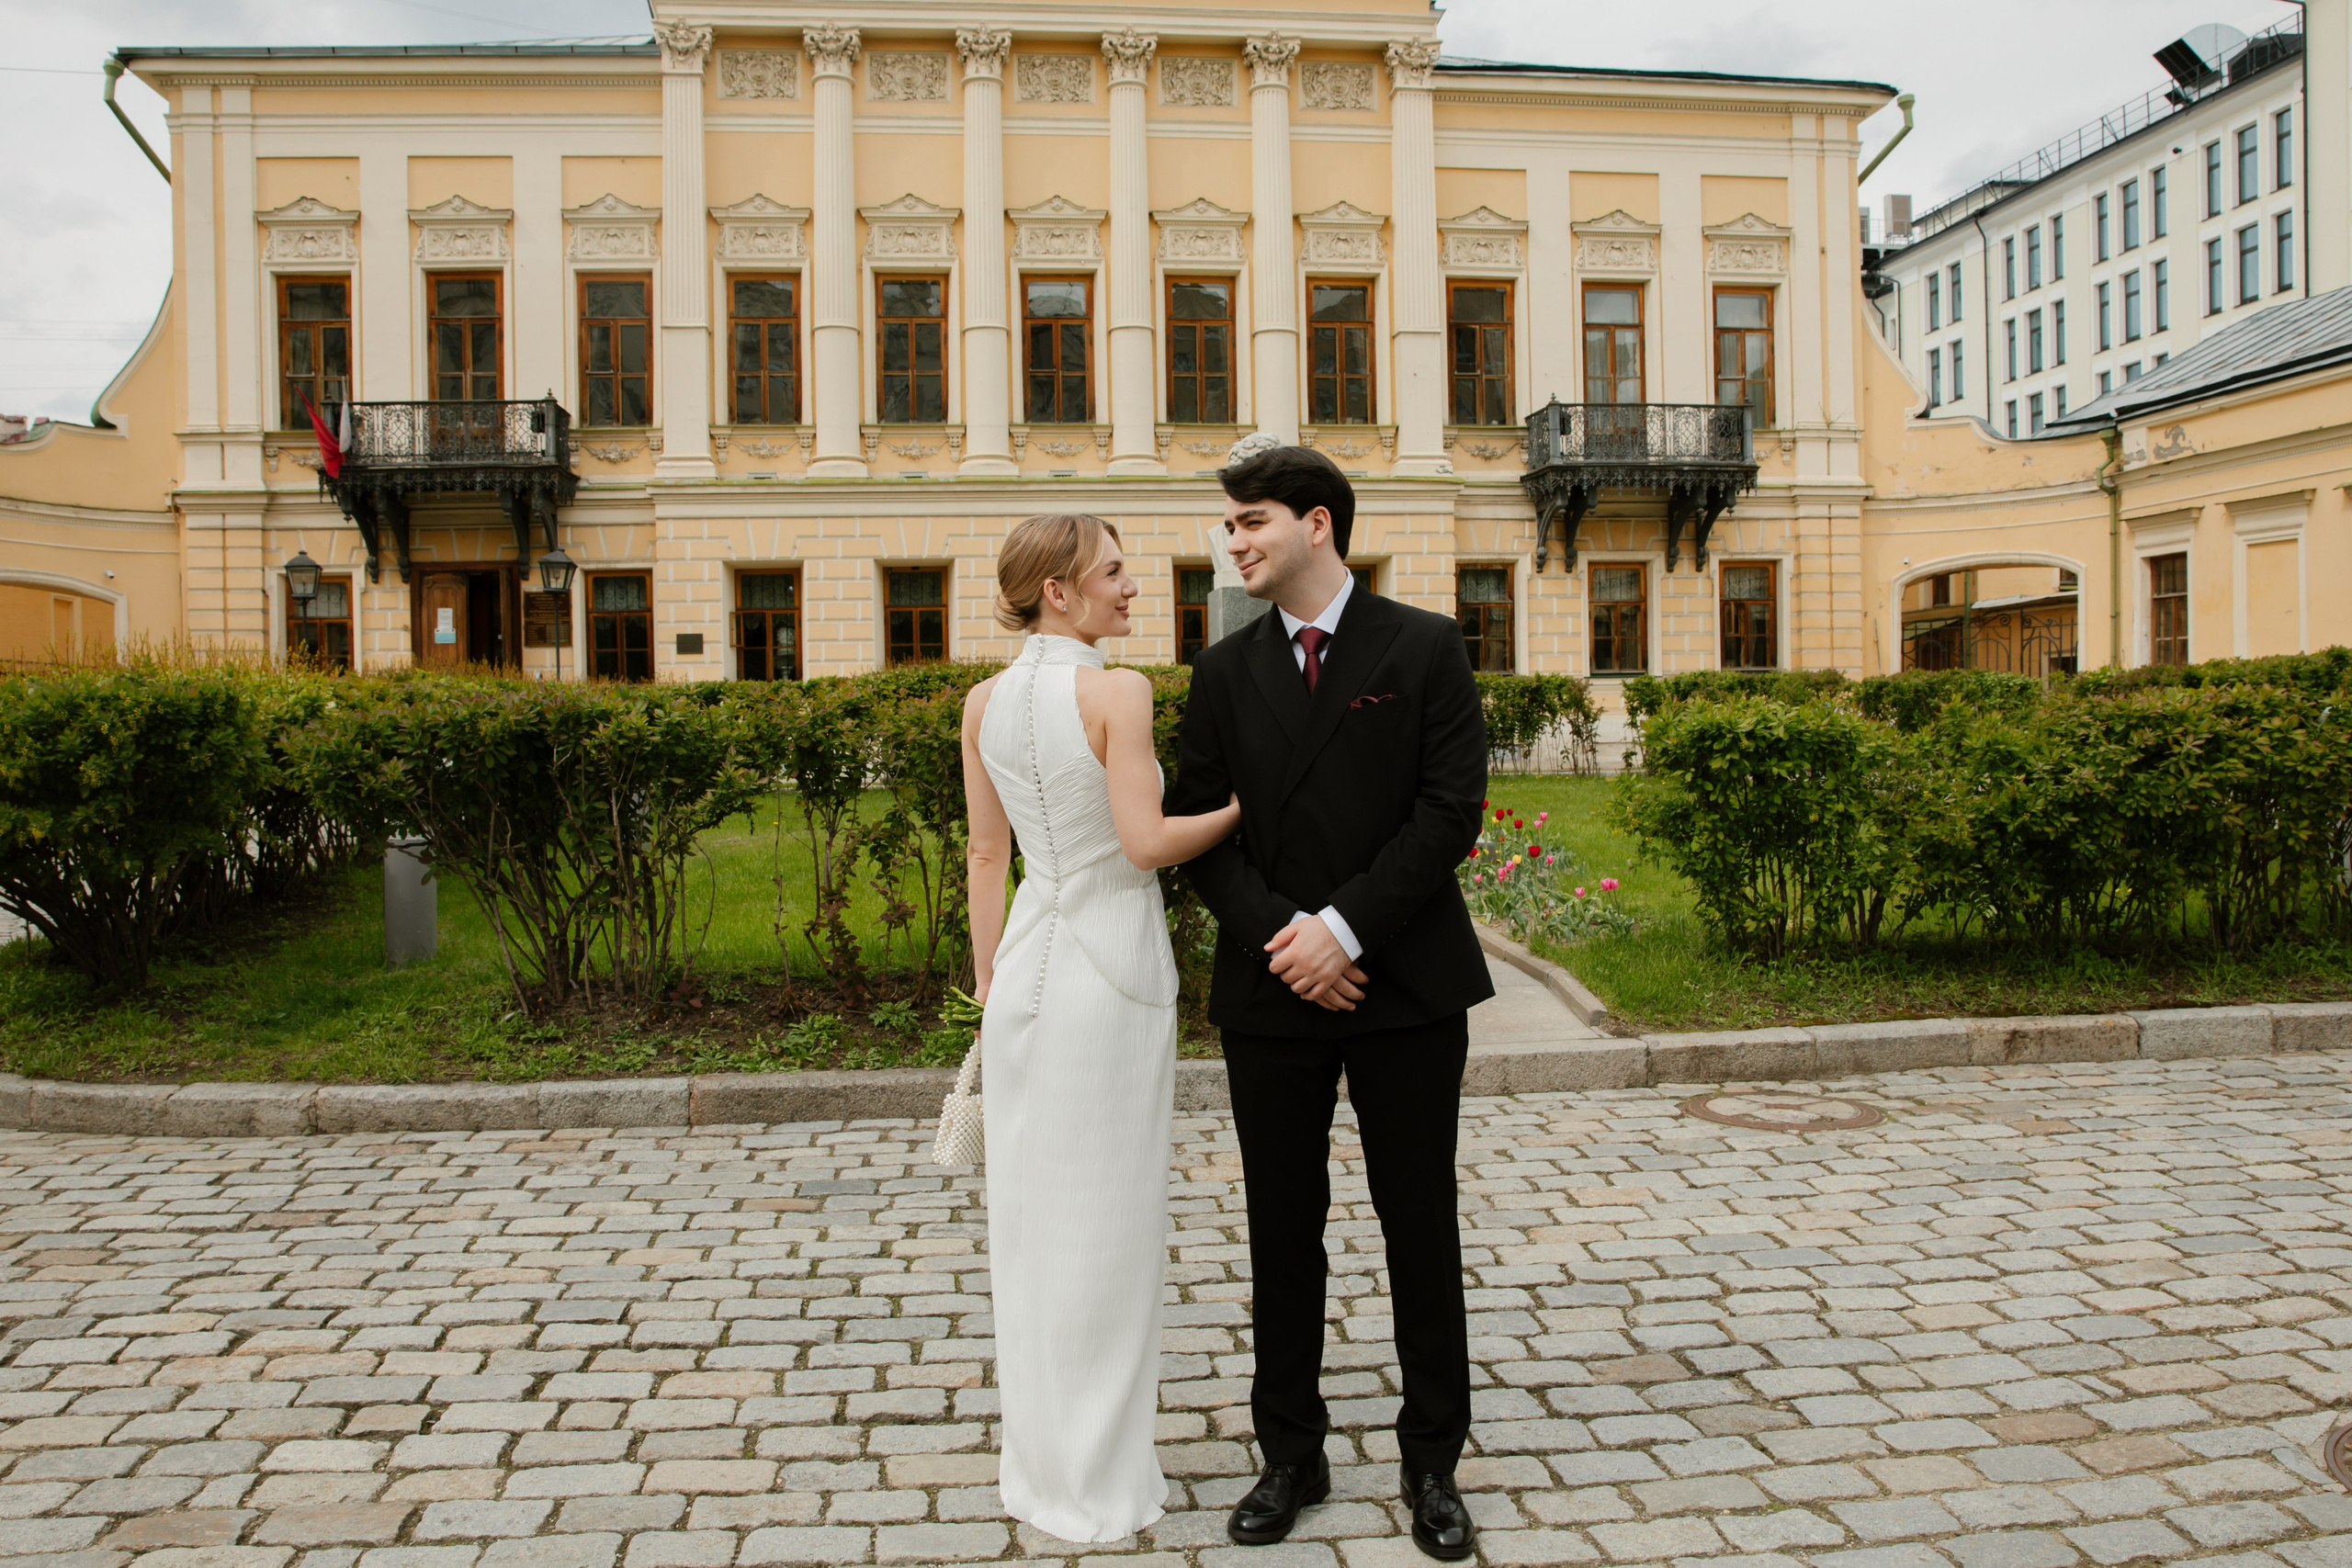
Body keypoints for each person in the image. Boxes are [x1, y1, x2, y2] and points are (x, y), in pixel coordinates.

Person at [1167, 443, 1492, 1562]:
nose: (1234, 541)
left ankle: (1431, 1460)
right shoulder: (1220, 670)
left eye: (1251, 521)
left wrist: (1343, 928)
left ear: (1317, 523)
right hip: (1273, 989)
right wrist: (1283, 939)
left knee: (1419, 1223)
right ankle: (1290, 1454)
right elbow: (1196, 832)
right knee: (1280, 1229)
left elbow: (1449, 814)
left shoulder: (1424, 645)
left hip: (1399, 980)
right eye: (1228, 525)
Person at [961, 513, 1242, 1544]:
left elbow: (987, 859)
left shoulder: (981, 702)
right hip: (1111, 979)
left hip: (1028, 979)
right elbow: (1144, 843)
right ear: (1059, 593)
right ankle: (1104, 1484)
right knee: (1112, 1232)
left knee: (1032, 1231)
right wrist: (1240, 810)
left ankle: (1039, 1471)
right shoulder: (1119, 692)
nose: (1132, 588)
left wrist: (989, 988)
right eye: (1115, 573)